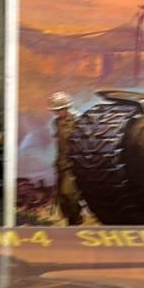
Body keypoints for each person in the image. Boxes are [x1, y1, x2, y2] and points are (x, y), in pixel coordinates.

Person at [49, 93, 89, 225]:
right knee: (62, 196)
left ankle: (77, 218)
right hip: (62, 163)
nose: (58, 113)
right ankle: (70, 219)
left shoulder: (78, 120)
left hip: (74, 162)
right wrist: (58, 161)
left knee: (69, 192)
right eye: (56, 110)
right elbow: (60, 144)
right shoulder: (56, 123)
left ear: (67, 108)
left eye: (60, 109)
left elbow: (85, 142)